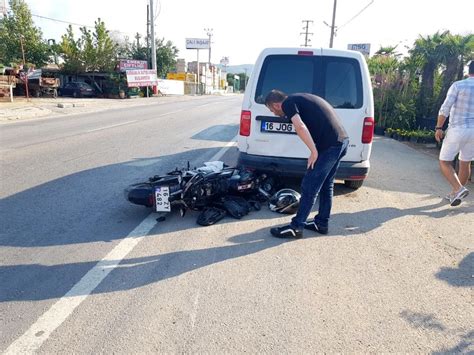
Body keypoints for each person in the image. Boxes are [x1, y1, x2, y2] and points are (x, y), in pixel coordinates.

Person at [265, 90, 349, 238]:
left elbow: (300, 126)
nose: (273, 114)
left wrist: (313, 151)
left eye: (272, 110)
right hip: (342, 141)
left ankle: (296, 227)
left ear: (277, 104)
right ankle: (321, 223)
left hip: (330, 146)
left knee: (309, 185)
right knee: (326, 184)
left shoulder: (288, 103)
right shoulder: (300, 98)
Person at [435, 61, 474, 206]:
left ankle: (458, 188)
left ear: (468, 70)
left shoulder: (458, 85)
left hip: (458, 129)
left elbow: (445, 108)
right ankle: (456, 194)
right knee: (465, 162)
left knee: (444, 161)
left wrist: (439, 127)